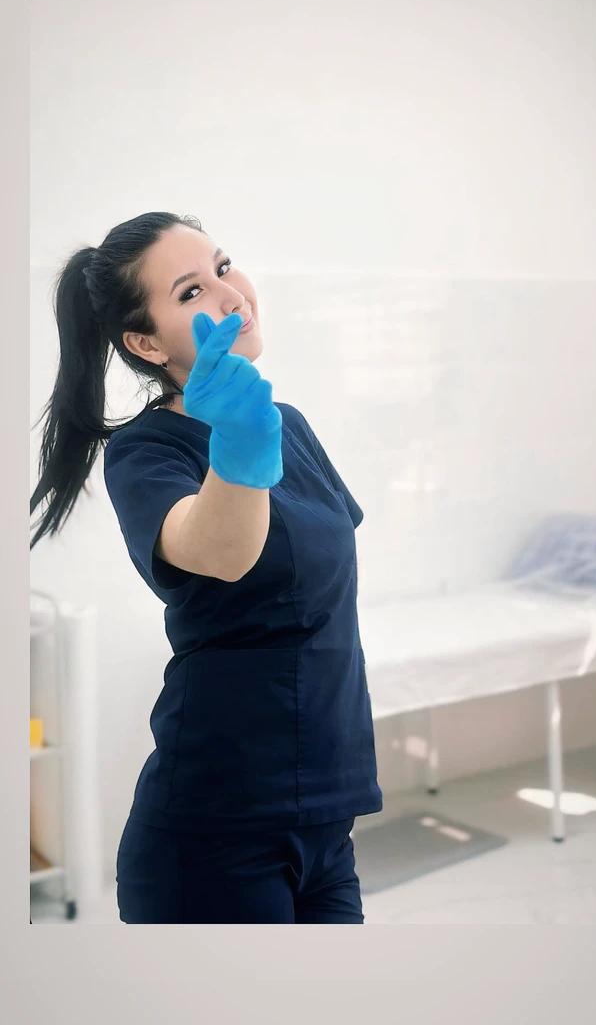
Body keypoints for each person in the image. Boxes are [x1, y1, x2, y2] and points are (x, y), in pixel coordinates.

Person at [30, 211, 383, 923]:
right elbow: (221, 551)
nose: (230, 294)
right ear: (145, 342)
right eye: (191, 292)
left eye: (223, 267)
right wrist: (239, 441)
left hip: (325, 818)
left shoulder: (287, 423)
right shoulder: (146, 452)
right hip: (216, 832)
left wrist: (256, 428)